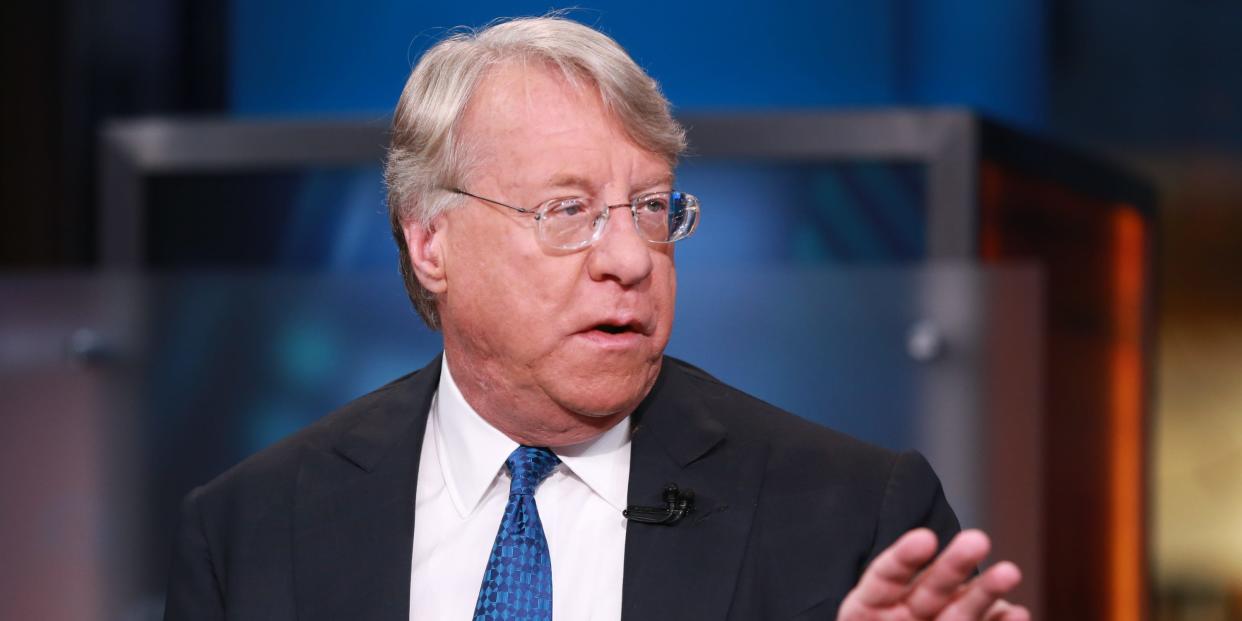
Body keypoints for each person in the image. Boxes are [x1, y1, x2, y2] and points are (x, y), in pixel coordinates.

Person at [164, 15, 1029, 621]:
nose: (629, 258)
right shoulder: (249, 532)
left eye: (652, 207)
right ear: (431, 241)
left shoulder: (859, 517)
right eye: (567, 211)